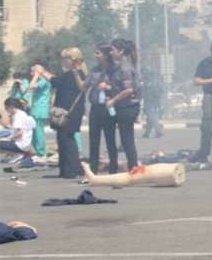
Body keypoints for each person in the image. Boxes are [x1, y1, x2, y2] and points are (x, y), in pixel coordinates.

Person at [34, 48, 87, 179]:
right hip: (68, 111)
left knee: (66, 139)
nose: (63, 62)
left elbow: (56, 81)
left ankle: (72, 169)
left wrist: (42, 72)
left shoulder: (76, 74)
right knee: (64, 139)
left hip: (69, 112)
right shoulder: (75, 74)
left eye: (66, 59)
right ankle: (66, 170)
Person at [106, 38, 141, 173]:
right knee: (126, 139)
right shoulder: (121, 65)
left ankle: (133, 167)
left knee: (127, 140)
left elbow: (128, 89)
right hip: (126, 106)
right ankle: (133, 166)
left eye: (113, 50)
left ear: (121, 51)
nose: (111, 53)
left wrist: (113, 100)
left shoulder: (124, 67)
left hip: (127, 106)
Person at [82, 42, 116, 174]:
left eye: (98, 53)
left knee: (110, 140)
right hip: (95, 108)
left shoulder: (115, 70)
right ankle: (93, 170)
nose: (95, 55)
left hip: (108, 108)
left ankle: (113, 170)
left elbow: (120, 88)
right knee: (94, 140)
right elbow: (84, 86)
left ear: (106, 55)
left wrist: (107, 87)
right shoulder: (94, 70)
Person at [28, 65, 52, 158]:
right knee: (34, 130)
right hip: (35, 107)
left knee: (38, 130)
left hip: (40, 108)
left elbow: (31, 86)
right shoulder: (41, 81)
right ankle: (36, 150)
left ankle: (41, 152)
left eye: (33, 71)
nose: (31, 74)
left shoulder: (43, 81)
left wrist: (37, 75)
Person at [140, 68, 164, 139]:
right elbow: (161, 93)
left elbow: (146, 93)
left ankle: (159, 132)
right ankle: (147, 133)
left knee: (152, 118)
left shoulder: (149, 83)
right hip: (153, 102)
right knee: (149, 118)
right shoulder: (156, 83)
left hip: (150, 102)